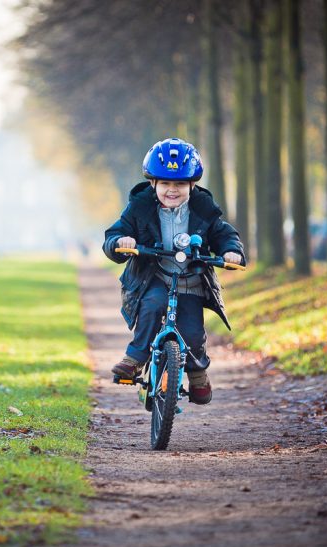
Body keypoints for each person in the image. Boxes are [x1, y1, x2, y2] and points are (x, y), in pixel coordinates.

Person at [102, 138, 245, 405]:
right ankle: (135, 358)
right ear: (153, 183)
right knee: (152, 306)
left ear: (192, 185)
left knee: (192, 332)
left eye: (179, 184)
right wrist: (121, 242)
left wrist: (231, 251)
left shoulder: (204, 210)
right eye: (165, 183)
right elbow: (115, 233)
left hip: (190, 280)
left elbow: (225, 234)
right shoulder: (140, 207)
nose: (172, 190)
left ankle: (198, 371)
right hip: (154, 277)